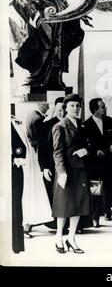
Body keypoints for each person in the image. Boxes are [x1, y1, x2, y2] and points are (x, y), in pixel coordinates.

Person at [9, 0, 90, 90]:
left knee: (58, 51)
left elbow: (65, 4)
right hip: (43, 22)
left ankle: (55, 79)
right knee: (44, 47)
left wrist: (80, 14)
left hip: (59, 23)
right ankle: (35, 77)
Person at [52, 94, 90, 254]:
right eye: (72, 106)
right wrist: (61, 172)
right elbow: (57, 152)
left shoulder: (82, 125)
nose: (76, 108)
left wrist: (86, 150)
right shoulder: (59, 126)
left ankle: (71, 238)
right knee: (64, 206)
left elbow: (89, 144)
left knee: (79, 205)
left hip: (80, 170)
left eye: (78, 106)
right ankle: (59, 236)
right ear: (66, 108)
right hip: (66, 172)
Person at [84, 98, 112, 226]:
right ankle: (95, 217)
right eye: (103, 107)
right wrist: (95, 151)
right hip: (95, 163)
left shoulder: (110, 121)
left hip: (109, 160)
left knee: (109, 186)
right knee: (95, 189)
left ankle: (107, 211)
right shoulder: (86, 124)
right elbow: (85, 143)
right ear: (95, 110)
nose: (105, 108)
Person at [24, 102, 50, 237]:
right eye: (47, 105)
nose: (49, 108)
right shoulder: (39, 119)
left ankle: (29, 223)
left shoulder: (30, 115)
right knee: (36, 192)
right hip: (36, 157)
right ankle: (29, 224)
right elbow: (41, 142)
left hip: (32, 155)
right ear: (41, 105)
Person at [38, 97, 65, 229]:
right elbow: (42, 149)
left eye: (64, 109)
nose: (62, 112)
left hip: (70, 166)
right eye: (60, 109)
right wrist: (44, 167)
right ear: (55, 109)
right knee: (55, 196)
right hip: (52, 166)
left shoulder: (74, 123)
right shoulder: (46, 125)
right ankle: (55, 225)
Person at [11, 119, 27, 253]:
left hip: (12, 172)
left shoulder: (8, 124)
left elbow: (20, 148)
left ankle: (15, 245)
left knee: (15, 208)